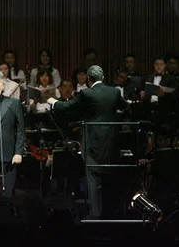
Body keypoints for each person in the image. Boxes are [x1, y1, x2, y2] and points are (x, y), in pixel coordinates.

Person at [48, 65, 128, 219]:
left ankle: (95, 215)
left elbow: (66, 107)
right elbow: (127, 109)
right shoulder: (115, 92)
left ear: (89, 80)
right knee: (110, 177)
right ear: (103, 78)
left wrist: (53, 102)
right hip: (111, 140)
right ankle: (112, 214)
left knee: (93, 177)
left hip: (93, 141)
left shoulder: (86, 93)